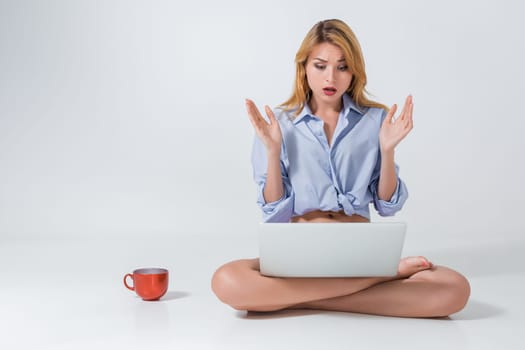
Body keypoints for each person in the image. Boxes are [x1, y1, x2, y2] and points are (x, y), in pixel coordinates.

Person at [211, 19, 470, 317]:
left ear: (354, 71)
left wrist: (387, 151)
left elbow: (387, 206)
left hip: (359, 254)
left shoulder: (375, 120)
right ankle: (378, 281)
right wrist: (272, 152)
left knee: (454, 287)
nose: (330, 77)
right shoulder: (278, 124)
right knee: (226, 279)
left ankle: (291, 299)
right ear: (304, 67)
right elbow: (273, 212)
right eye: (320, 66)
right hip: (299, 255)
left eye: (342, 67)